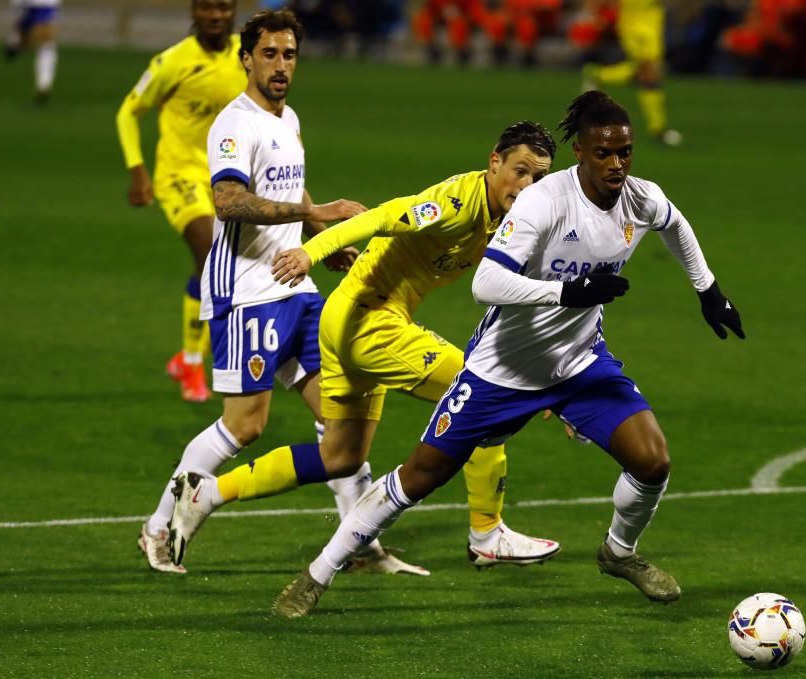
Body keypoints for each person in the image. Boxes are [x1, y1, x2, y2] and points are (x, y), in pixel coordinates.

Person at [270, 90, 746, 618]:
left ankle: (618, 553)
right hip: (503, 371)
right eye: (603, 153)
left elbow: (675, 223)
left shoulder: (640, 198)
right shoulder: (544, 202)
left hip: (579, 363)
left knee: (653, 461)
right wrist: (564, 293)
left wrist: (708, 289)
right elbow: (487, 281)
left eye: (625, 152)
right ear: (581, 153)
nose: (617, 164)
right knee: (418, 477)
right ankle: (317, 575)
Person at [167, 121, 562, 573]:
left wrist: (548, 369)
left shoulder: (514, 221)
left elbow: (522, 295)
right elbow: (380, 216)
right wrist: (310, 252)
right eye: (520, 171)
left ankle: (207, 493)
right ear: (495, 162)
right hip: (367, 321)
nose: (527, 185)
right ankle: (487, 534)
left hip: (347, 318)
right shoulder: (455, 204)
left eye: (539, 177)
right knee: (480, 394)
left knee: (340, 457)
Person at [138, 9, 371, 574]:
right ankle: (156, 527)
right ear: (247, 59)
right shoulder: (234, 123)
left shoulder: (287, 119)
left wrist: (320, 237)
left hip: (295, 284)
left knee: (341, 415)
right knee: (246, 425)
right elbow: (228, 202)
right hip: (246, 292)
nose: (281, 65)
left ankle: (359, 541)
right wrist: (314, 212)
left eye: (289, 54)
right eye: (269, 54)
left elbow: (290, 189)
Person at [116, 0, 248, 403]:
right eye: (207, 8)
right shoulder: (172, 62)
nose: (215, 16)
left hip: (225, 176)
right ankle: (193, 363)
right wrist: (137, 169)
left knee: (224, 267)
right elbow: (128, 110)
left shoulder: (247, 54)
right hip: (178, 176)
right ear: (194, 12)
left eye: (223, 7)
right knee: (211, 255)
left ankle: (188, 354)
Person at [579, 1, 682, 146]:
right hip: (632, 24)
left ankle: (599, 75)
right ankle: (658, 129)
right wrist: (594, 11)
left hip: (652, 22)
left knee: (646, 73)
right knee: (650, 72)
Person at [5, 0, 60, 104]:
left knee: (46, 40)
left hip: (45, 3)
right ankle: (14, 42)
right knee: (26, 40)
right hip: (26, 4)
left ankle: (43, 88)